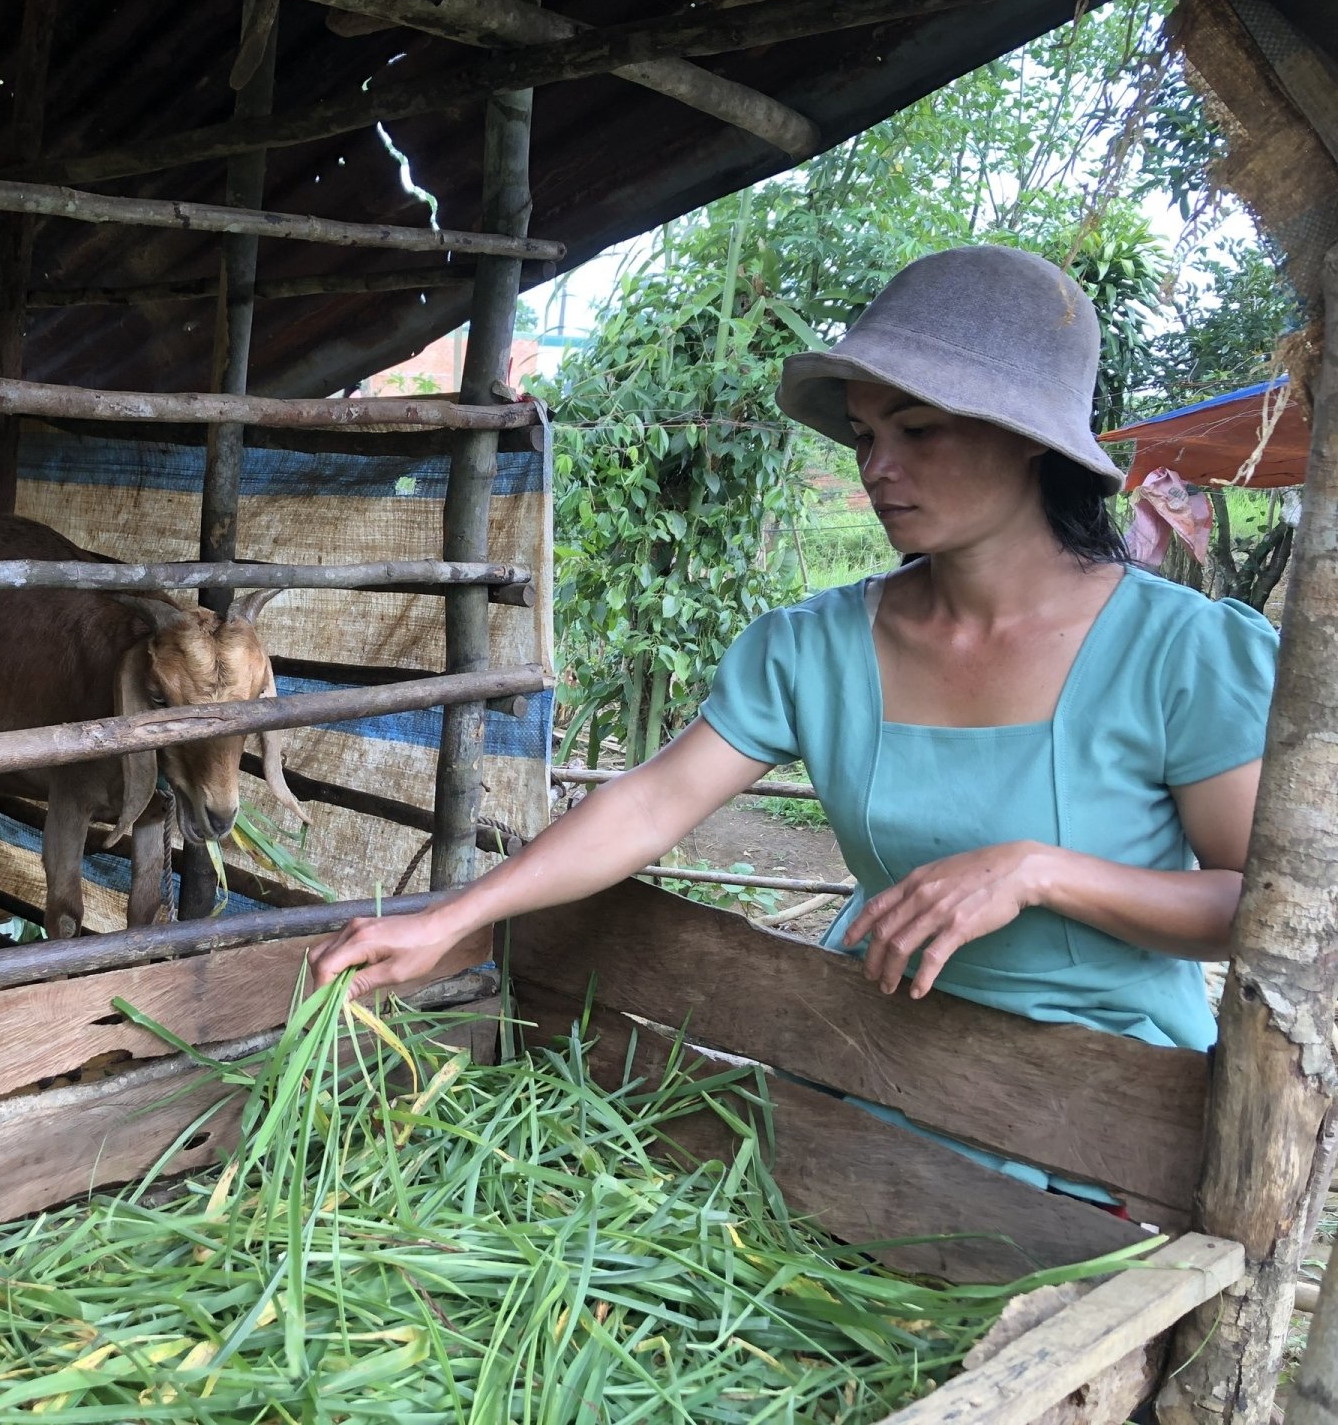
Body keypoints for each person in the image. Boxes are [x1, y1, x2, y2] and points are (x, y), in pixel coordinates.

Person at [310, 246, 1277, 1189]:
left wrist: (1040, 872)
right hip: (868, 1069)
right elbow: (653, 803)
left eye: (919, 430)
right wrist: (455, 919)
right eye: (864, 436)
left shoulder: (1182, 653)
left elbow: (1257, 909)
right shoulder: (813, 646)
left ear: (1029, 438)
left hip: (1103, 1118)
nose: (878, 468)